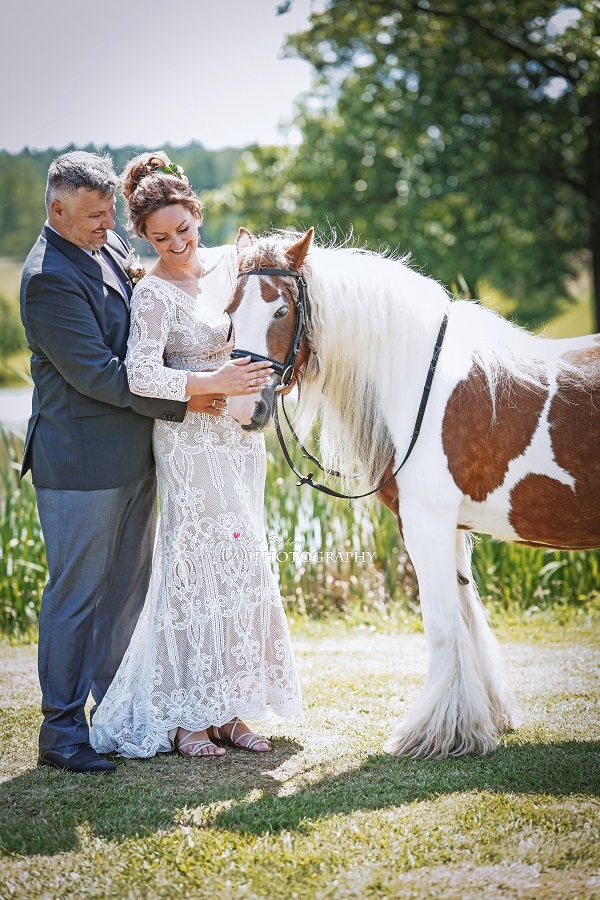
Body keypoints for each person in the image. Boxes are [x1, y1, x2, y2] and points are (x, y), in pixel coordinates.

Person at [20, 150, 273, 774]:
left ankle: (119, 710)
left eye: (111, 214)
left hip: (139, 453)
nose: (107, 226)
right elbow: (101, 376)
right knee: (77, 596)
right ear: (58, 209)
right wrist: (204, 392)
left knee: (128, 596)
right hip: (81, 463)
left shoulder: (103, 247)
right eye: (94, 216)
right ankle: (62, 733)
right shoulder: (48, 277)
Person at [89, 152, 302, 759]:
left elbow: (268, 318)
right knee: (195, 570)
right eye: (161, 238)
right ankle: (186, 718)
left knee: (241, 566)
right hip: (189, 443)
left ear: (197, 216)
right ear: (144, 237)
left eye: (183, 229)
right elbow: (140, 375)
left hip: (238, 443)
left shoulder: (230, 267)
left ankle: (230, 711)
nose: (177, 244)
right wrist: (212, 386)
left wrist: (265, 383)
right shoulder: (153, 294)